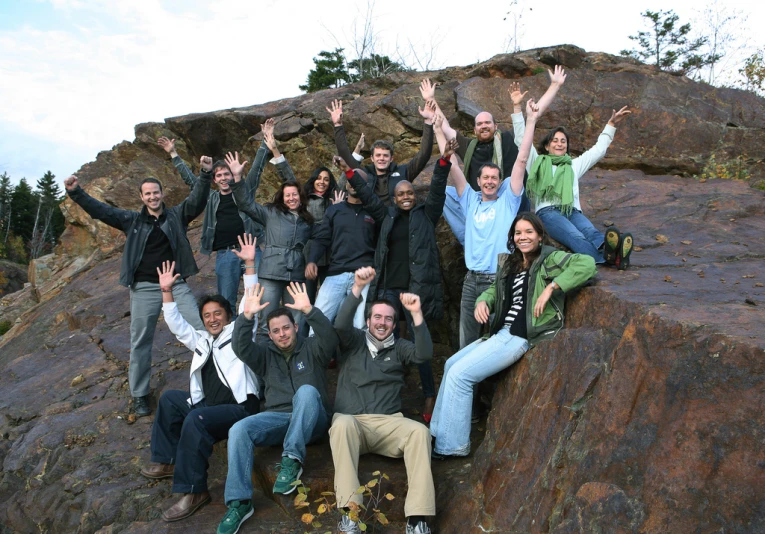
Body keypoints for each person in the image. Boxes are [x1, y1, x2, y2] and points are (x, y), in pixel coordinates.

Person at [430, 212, 596, 458]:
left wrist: (552, 286)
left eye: (529, 232)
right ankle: (438, 432)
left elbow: (587, 264)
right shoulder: (511, 264)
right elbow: (494, 293)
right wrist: (482, 301)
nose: (523, 237)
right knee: (450, 363)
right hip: (500, 332)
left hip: (519, 335)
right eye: (518, 233)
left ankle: (453, 446)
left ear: (540, 236)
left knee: (461, 376)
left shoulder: (549, 258)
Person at [64, 166, 211, 416]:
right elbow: (101, 211)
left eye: (156, 193)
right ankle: (140, 395)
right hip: (144, 288)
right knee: (141, 340)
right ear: (141, 198)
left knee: (202, 331)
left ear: (163, 194)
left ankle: (215, 382)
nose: (152, 197)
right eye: (147, 194)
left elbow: (197, 199)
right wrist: (76, 192)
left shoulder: (177, 216)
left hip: (176, 284)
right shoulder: (131, 221)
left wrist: (205, 174)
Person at [140, 235, 261, 522]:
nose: (212, 319)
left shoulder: (239, 334)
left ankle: (194, 490)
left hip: (240, 408)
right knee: (170, 398)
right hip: (207, 407)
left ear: (228, 315)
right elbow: (177, 325)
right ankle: (168, 461)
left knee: (196, 420)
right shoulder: (202, 341)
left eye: (218, 313)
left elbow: (249, 304)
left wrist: (250, 265)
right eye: (207, 315)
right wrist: (166, 291)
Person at [340, 135, 456, 422]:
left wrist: (443, 161)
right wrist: (349, 172)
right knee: (385, 336)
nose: (406, 197)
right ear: (393, 198)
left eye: (410, 194)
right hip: (390, 287)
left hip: (415, 290)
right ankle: (387, 392)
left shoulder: (426, 215)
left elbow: (438, 190)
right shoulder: (386, 216)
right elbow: (367, 196)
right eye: (401, 194)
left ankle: (429, 393)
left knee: (419, 341)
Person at [217, 282, 337, 534]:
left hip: (312, 419)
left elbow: (329, 338)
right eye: (276, 331)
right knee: (239, 429)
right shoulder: (264, 356)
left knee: (306, 392)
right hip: (279, 419)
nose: (282, 334)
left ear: (295, 327)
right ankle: (239, 502)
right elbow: (240, 347)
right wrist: (246, 316)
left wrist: (309, 310)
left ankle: (291, 460)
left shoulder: (313, 349)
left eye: (286, 328)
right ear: (269, 335)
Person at [329, 267, 435, 534]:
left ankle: (417, 519)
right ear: (368, 321)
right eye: (377, 317)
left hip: (389, 425)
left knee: (420, 432)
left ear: (393, 324)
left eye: (388, 319)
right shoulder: (353, 341)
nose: (382, 322)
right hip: (353, 424)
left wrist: (416, 313)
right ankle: (351, 515)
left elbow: (424, 355)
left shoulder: (400, 348)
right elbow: (340, 324)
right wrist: (356, 288)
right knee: (340, 424)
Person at [442, 100, 543, 350]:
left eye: (494, 178)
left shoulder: (507, 202)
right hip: (471, 280)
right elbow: (452, 166)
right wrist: (436, 128)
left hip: (498, 278)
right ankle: (469, 388)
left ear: (501, 181)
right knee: (467, 341)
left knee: (497, 338)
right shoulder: (470, 200)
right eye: (485, 178)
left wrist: (530, 121)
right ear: (478, 181)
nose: (489, 182)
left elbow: (521, 160)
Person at [156, 119, 279, 314]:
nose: (223, 178)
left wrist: (266, 139)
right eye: (219, 175)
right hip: (225, 254)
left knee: (262, 296)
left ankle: (263, 336)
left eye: (227, 174)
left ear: (233, 175)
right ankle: (229, 339)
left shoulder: (243, 190)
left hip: (252, 250)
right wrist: (173, 153)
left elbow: (257, 168)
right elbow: (191, 180)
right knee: (226, 302)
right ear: (214, 179)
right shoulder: (211, 197)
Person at [431, 69, 566, 244]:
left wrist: (555, 85)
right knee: (445, 193)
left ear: (496, 126)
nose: (484, 126)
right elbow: (444, 127)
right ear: (474, 129)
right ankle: (469, 238)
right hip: (479, 202)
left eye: (488, 122)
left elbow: (534, 114)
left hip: (509, 201)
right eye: (479, 124)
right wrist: (431, 100)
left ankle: (506, 237)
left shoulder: (509, 139)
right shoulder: (468, 145)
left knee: (511, 183)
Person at [512, 102, 634, 268]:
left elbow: (598, 151)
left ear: (567, 146)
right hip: (548, 213)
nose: (559, 144)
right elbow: (521, 139)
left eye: (563, 141)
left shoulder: (573, 165)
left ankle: (613, 252)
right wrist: (517, 108)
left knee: (591, 232)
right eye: (555, 141)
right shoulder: (536, 163)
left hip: (572, 210)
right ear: (547, 146)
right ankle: (612, 257)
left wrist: (611, 124)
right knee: (575, 236)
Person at [227, 151, 314, 340]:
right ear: (282, 198)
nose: (291, 198)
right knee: (269, 322)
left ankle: (297, 362)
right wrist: (237, 178)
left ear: (301, 196)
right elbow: (246, 204)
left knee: (296, 320)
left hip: (296, 274)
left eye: (294, 194)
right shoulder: (270, 213)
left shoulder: (308, 220)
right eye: (287, 195)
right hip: (271, 273)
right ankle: (270, 363)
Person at [327, 88, 435, 205]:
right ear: (372, 158)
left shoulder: (404, 172)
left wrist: (428, 123)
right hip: (370, 220)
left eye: (385, 155)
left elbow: (424, 154)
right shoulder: (364, 174)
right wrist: (338, 125)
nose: (381, 158)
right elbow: (345, 154)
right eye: (378, 155)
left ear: (391, 158)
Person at [305, 170, 376, 330]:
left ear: (366, 186)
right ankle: (317, 355)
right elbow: (322, 238)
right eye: (351, 180)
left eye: (359, 181)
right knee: (318, 323)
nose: (354, 184)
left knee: (359, 325)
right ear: (346, 184)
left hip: (364, 274)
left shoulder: (374, 212)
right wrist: (312, 261)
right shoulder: (334, 210)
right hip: (336, 273)